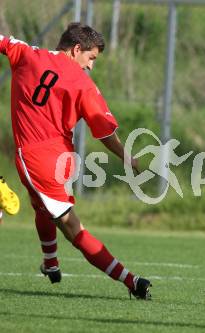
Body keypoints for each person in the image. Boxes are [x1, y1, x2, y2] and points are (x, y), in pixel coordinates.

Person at [0, 23, 151, 299]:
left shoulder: (27, 53)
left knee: (74, 229)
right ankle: (51, 263)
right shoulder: (83, 84)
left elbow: (2, 42)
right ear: (77, 49)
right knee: (43, 208)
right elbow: (104, 130)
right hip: (60, 161)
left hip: (37, 159)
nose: (91, 66)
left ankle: (132, 281)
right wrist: (126, 156)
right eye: (91, 58)